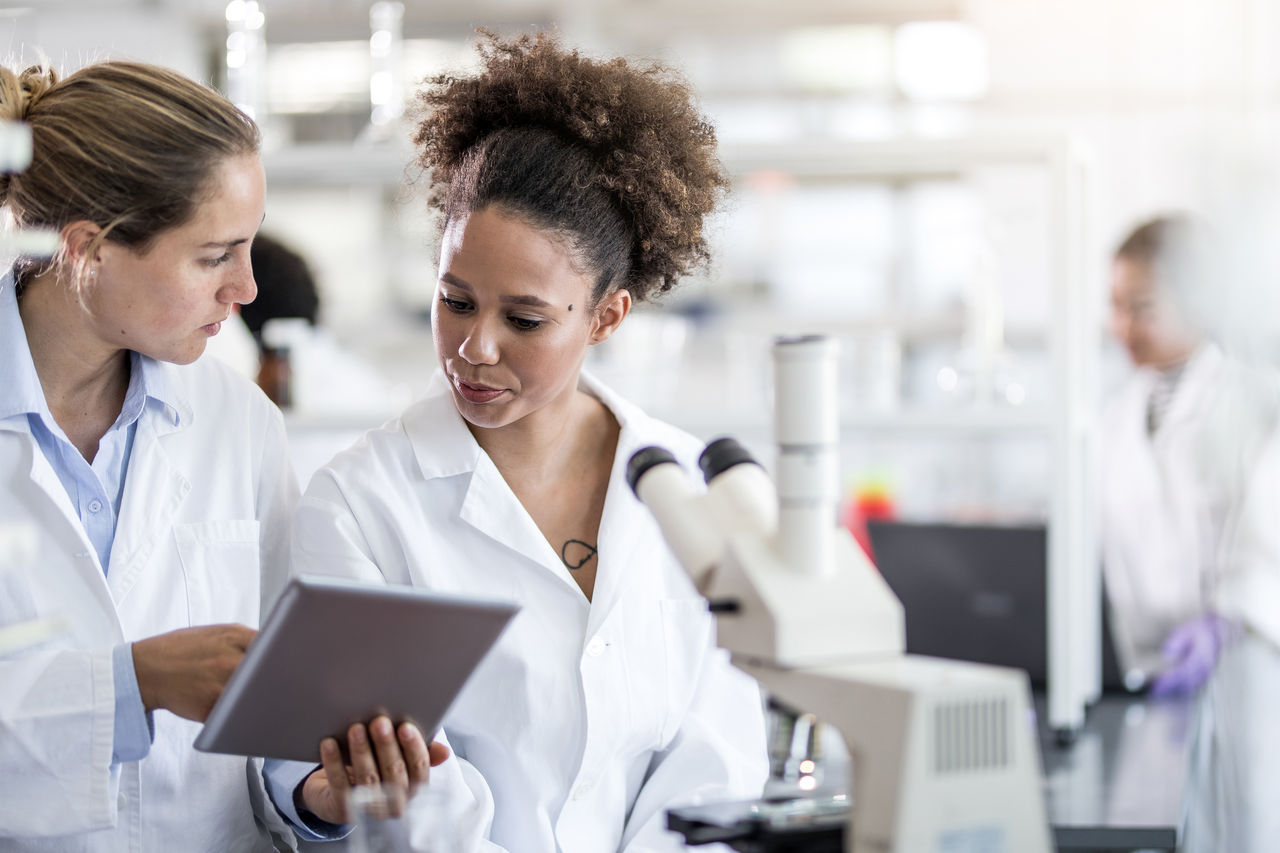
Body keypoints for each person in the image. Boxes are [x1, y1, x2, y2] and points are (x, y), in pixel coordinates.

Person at [289, 32, 769, 851]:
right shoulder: (360, 502)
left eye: (525, 319)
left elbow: (715, 759)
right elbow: (407, 784)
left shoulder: (689, 489)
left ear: (607, 316)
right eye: (455, 299)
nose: (475, 346)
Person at [0, 60, 441, 851]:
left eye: (249, 249)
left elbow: (273, 723)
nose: (244, 288)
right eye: (214, 256)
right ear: (88, 250)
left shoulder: (237, 423)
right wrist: (134, 683)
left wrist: (321, 794)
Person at [1101, 214, 1270, 696]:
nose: (1122, 326)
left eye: (1142, 307)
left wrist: (1228, 626)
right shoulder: (1114, 416)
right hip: (1143, 679)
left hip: (1242, 683)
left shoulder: (1253, 409)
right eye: (1115, 306)